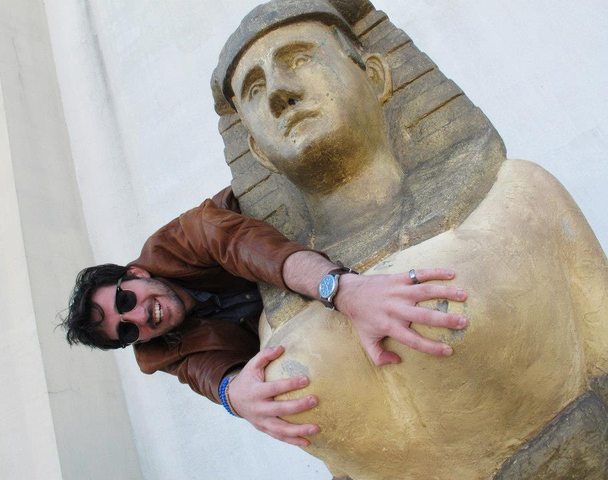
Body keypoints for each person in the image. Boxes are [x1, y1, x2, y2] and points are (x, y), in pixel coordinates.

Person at [211, 0, 608, 478]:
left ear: (377, 76)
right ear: (257, 151)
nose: (280, 92)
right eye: (255, 89)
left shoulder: (518, 195)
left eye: (299, 58)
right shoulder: (274, 324)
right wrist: (228, 392)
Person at [62, 185, 468, 447]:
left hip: (318, 241)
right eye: (126, 331)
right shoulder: (158, 351)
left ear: (135, 274)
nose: (139, 316)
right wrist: (233, 396)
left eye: (125, 300)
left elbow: (239, 243)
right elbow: (208, 375)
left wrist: (341, 289)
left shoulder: (173, 244)